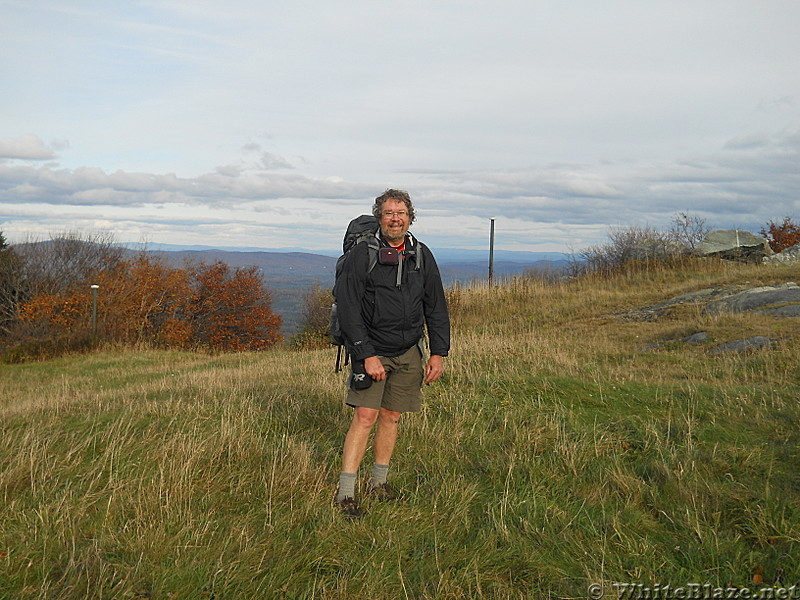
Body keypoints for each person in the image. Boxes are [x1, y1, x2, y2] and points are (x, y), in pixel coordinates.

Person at [333, 189, 450, 517]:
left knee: (392, 416)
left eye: (401, 212)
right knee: (365, 416)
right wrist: (366, 354)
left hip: (408, 351)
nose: (395, 218)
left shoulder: (421, 255)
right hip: (371, 349)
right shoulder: (362, 256)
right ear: (379, 218)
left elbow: (435, 305)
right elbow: (349, 309)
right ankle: (345, 494)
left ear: (410, 217)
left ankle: (379, 484)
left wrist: (438, 352)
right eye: (388, 213)